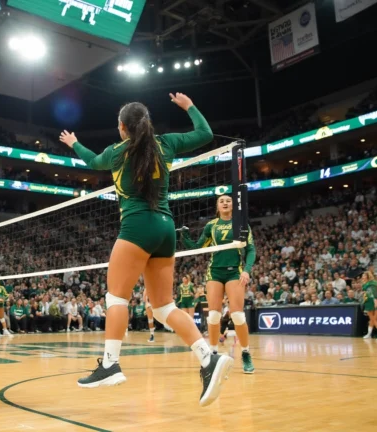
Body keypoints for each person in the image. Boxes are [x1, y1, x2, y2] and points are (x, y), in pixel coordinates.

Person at [60, 92, 232, 407]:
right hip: (166, 228)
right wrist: (190, 106)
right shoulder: (165, 144)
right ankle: (208, 358)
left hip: (137, 227)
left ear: (124, 128)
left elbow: (91, 160)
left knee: (116, 297)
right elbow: (206, 134)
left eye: (118, 124)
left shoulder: (115, 152)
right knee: (165, 307)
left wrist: (73, 143)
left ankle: (110, 364)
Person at [179, 194, 256, 373]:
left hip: (235, 272)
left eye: (228, 200)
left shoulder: (241, 224)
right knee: (213, 316)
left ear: (232, 205)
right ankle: (212, 354)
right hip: (214, 272)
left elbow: (251, 249)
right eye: (221, 201)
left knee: (238, 316)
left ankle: (245, 353)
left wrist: (247, 269)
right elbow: (198, 247)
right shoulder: (211, 226)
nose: (225, 202)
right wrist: (185, 236)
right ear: (217, 206)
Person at [361, 272, 377, 340]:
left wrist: (375, 300)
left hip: (373, 301)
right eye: (362, 276)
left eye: (364, 275)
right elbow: (368, 292)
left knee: (374, 319)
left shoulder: (372, 283)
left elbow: (374, 292)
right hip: (368, 302)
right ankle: (369, 334)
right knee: (371, 319)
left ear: (368, 276)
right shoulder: (365, 284)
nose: (362, 277)